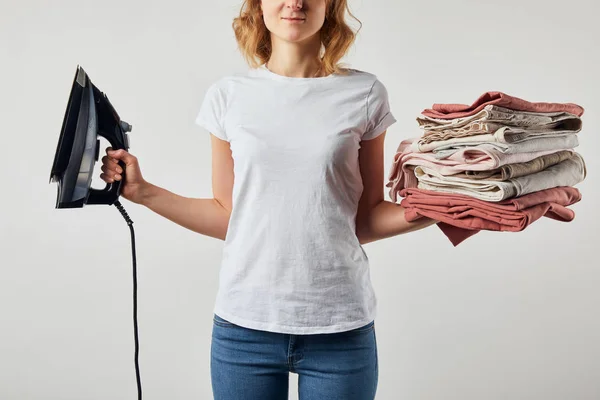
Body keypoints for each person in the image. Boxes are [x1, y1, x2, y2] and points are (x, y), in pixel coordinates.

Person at [100, 0, 436, 398]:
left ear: (329, 6)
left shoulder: (364, 94)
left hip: (339, 326)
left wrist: (449, 208)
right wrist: (142, 192)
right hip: (244, 328)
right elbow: (230, 216)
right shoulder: (228, 96)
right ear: (259, 7)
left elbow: (363, 221)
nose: (295, 3)